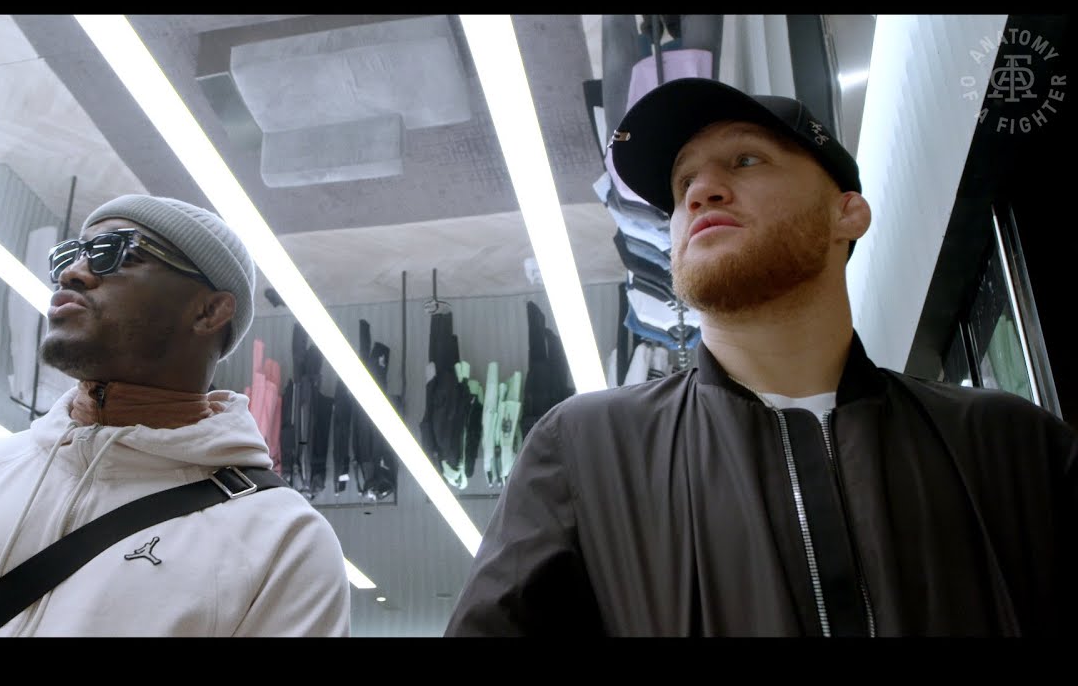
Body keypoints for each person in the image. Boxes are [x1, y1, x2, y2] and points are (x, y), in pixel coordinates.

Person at [444, 78, 1078, 636]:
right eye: (682, 185)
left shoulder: (1009, 444)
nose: (700, 192)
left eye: (745, 159)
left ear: (848, 213)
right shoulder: (585, 451)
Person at [0, 194, 351, 637]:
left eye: (116, 253)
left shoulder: (281, 538)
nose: (74, 274)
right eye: (70, 256)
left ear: (209, 310)